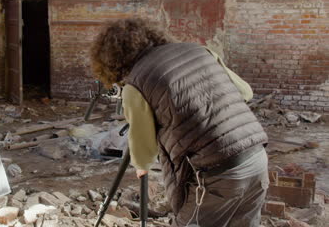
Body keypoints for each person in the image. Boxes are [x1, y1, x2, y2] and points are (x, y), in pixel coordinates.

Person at [90, 18, 269, 227]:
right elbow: (245, 92)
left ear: (112, 61)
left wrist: (141, 166)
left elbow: (144, 150)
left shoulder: (135, 85)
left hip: (215, 174)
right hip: (256, 158)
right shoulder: (199, 51)